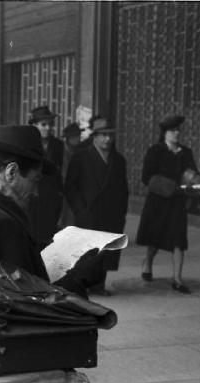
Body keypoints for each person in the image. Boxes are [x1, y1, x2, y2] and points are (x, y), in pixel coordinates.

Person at [0, 125, 103, 298]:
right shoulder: (1, 224)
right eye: (35, 180)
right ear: (12, 172)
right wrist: (76, 277)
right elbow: (27, 298)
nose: (35, 192)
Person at [136, 115, 200, 294]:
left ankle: (177, 279)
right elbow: (146, 177)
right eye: (173, 130)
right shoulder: (155, 151)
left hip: (178, 202)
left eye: (178, 130)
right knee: (155, 238)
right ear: (165, 133)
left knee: (179, 239)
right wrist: (168, 186)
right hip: (158, 201)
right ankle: (148, 263)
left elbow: (194, 172)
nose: (177, 133)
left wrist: (194, 181)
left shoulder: (185, 152)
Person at [64, 117, 129, 296]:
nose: (107, 139)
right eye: (103, 135)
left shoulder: (119, 160)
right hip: (88, 212)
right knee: (87, 252)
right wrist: (79, 210)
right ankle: (81, 284)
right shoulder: (81, 157)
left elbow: (123, 189)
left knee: (106, 250)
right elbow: (70, 186)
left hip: (110, 213)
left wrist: (121, 213)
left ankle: (99, 285)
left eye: (110, 136)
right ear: (94, 136)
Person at [26, 106, 65, 248]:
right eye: (44, 124)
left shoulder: (58, 145)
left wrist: (59, 195)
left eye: (50, 124)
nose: (48, 128)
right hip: (31, 198)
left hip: (50, 198)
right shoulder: (27, 144)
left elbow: (59, 172)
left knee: (48, 239)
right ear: (35, 125)